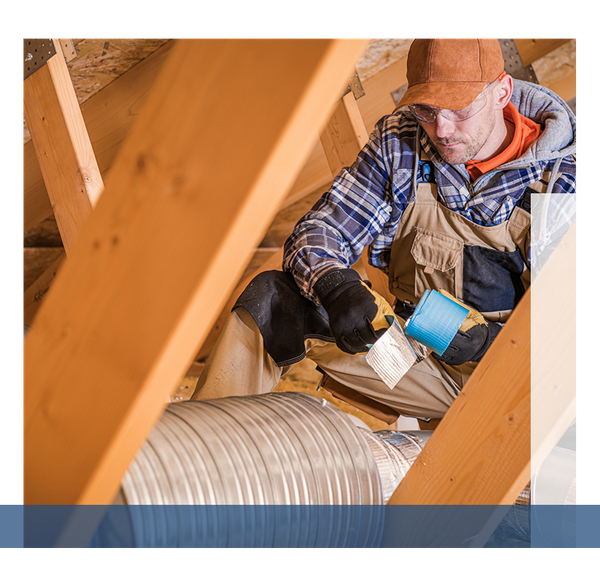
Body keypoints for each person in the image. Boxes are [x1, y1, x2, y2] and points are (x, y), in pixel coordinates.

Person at [192, 36, 578, 423]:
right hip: (412, 360)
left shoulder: (563, 182)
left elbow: (567, 338)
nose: (441, 129)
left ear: (501, 91)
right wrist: (336, 287)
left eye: (459, 109)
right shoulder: (402, 140)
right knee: (274, 302)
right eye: (427, 109)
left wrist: (489, 345)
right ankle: (200, 453)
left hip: (518, 385)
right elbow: (323, 229)